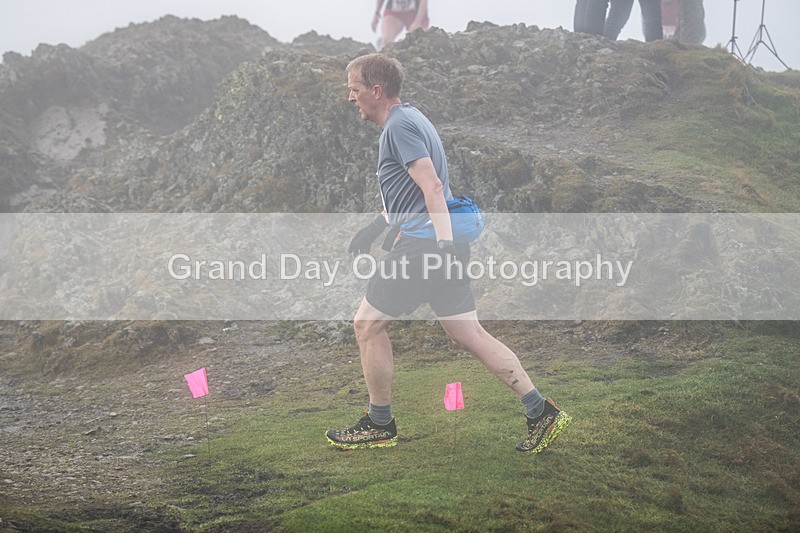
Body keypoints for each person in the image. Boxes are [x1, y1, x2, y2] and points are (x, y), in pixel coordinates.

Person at [325, 53, 572, 455]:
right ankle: (540, 410)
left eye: (353, 89)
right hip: (443, 242)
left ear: (375, 90)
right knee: (466, 333)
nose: (350, 98)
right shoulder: (411, 118)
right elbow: (412, 191)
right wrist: (378, 225)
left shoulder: (399, 127)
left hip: (426, 246)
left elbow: (433, 187)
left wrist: (438, 246)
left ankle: (379, 423)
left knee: (366, 326)